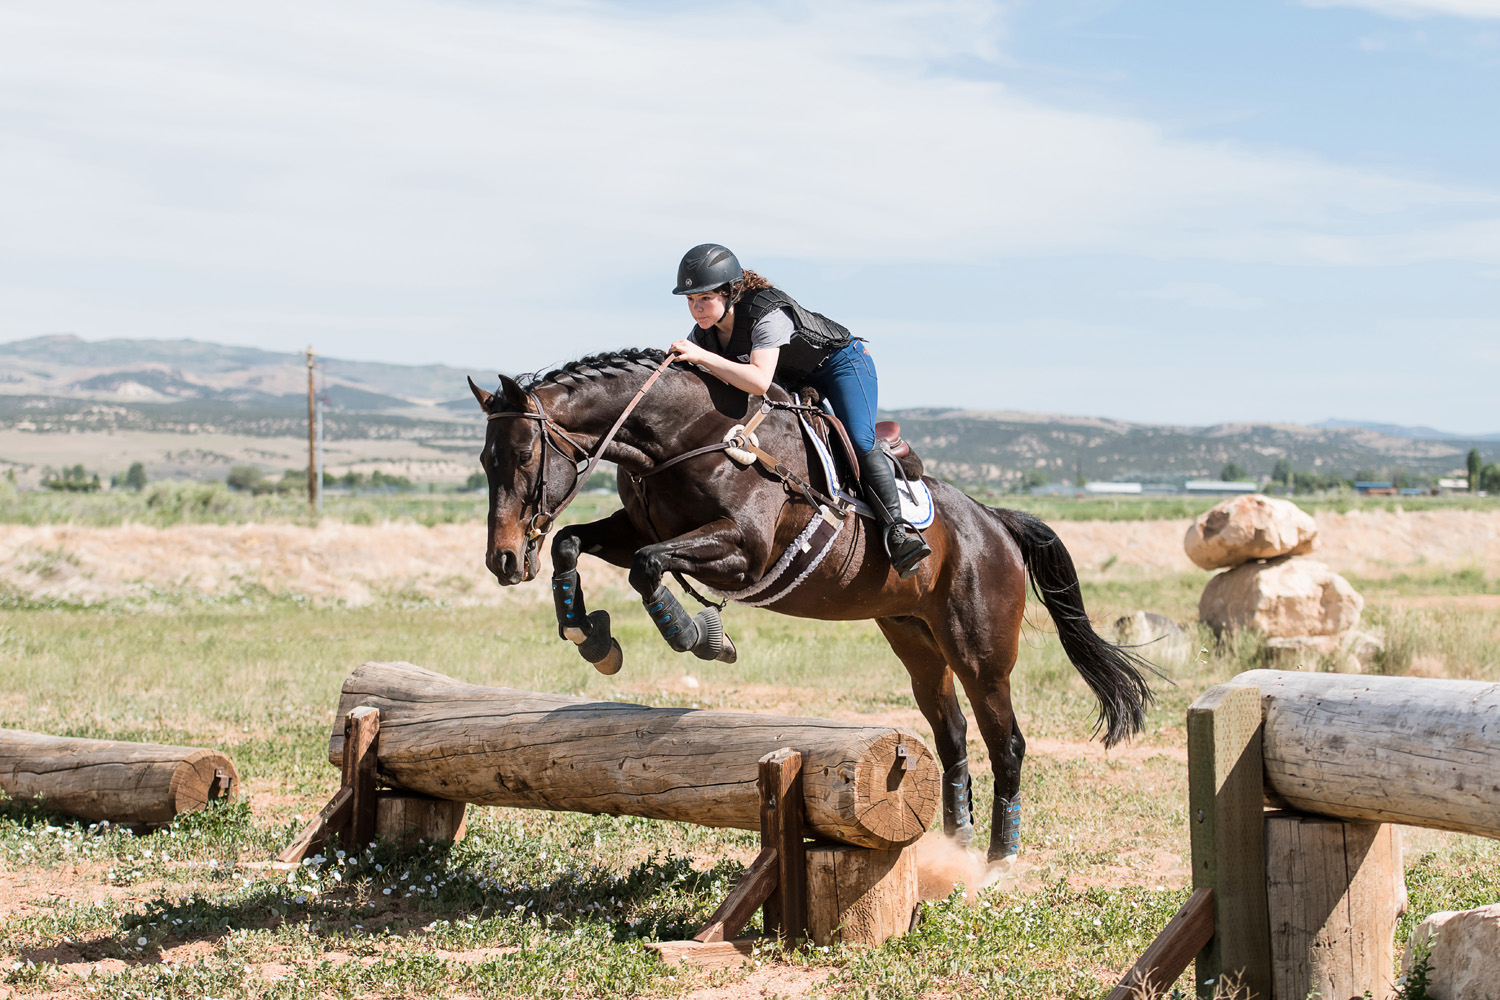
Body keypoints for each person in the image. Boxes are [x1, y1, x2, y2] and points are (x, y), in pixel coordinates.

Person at [667, 243, 930, 579]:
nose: (697, 309)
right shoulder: (705, 336)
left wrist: (701, 357)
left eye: (705, 298)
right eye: (690, 301)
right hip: (794, 377)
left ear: (731, 291)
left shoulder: (766, 312)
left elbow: (760, 381)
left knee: (860, 439)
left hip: (841, 364)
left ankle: (898, 533)